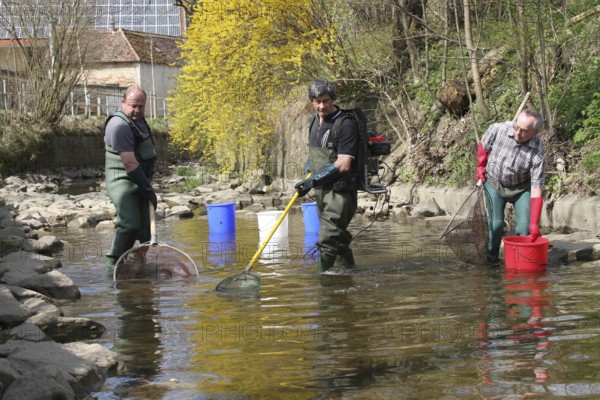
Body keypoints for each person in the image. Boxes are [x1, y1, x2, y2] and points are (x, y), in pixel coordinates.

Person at [295, 79, 359, 273]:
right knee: (338, 240)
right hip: (322, 192)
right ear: (311, 102)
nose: (322, 106)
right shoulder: (314, 122)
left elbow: (343, 163)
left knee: (327, 238)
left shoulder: (345, 124)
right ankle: (349, 274)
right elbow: (315, 154)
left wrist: (312, 180)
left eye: (326, 101)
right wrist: (308, 174)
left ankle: (320, 282)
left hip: (340, 193)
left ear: (333, 99)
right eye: (317, 101)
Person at [476, 109, 546, 267]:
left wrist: (534, 223)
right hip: (494, 181)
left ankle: (522, 263)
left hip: (522, 188)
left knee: (525, 227)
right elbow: (483, 145)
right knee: (496, 224)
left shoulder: (538, 153)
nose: (518, 133)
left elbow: (536, 188)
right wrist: (480, 166)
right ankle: (491, 261)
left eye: (524, 131)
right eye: (517, 127)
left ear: (535, 132)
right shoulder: (498, 129)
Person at [104, 84, 158, 270]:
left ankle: (137, 266)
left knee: (145, 230)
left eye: (141, 106)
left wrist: (146, 185)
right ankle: (113, 265)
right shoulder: (119, 126)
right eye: (133, 106)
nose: (137, 110)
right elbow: (129, 163)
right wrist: (148, 190)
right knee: (130, 225)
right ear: (123, 102)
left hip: (140, 179)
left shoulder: (139, 120)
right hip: (123, 181)